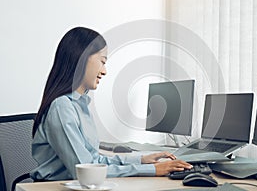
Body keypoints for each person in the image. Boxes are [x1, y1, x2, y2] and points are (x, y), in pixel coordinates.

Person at [30, 27, 192, 181]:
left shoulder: (79, 105)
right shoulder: (62, 107)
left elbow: (95, 160)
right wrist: (154, 170)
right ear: (81, 57)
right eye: (102, 61)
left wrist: (142, 160)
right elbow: (86, 170)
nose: (104, 71)